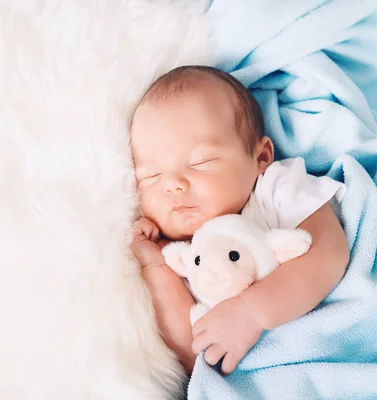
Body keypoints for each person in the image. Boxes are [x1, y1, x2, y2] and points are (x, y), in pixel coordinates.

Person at [129, 65, 349, 374]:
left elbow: (328, 252)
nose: (173, 184)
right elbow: (191, 352)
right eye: (150, 176)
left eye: (200, 162)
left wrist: (252, 313)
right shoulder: (180, 256)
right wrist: (154, 266)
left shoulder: (276, 189)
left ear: (260, 158)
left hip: (328, 354)